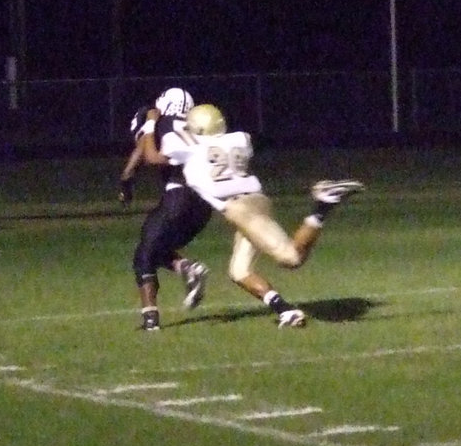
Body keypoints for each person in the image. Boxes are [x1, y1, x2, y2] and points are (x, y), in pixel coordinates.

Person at [143, 103, 363, 327]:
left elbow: (151, 157)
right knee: (239, 271)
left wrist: (150, 125)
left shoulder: (184, 142)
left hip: (239, 208)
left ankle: (322, 205)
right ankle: (286, 311)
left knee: (292, 258)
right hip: (258, 200)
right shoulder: (239, 139)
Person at [119, 87, 213, 332]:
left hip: (178, 196)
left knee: (143, 256)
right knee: (157, 247)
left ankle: (151, 320)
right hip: (205, 204)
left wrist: (126, 181)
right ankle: (189, 269)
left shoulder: (158, 120)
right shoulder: (199, 126)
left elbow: (143, 152)